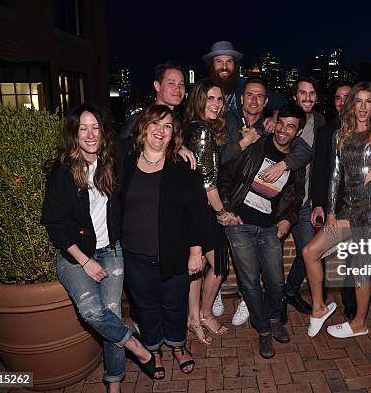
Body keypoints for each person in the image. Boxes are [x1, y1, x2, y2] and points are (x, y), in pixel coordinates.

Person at [41, 104, 157, 391]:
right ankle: (135, 345)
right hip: (76, 254)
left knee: (112, 314)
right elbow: (54, 223)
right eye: (83, 128)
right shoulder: (62, 172)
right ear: (74, 133)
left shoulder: (111, 161)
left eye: (96, 128)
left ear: (104, 133)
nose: (91, 134)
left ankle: (114, 383)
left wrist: (181, 149)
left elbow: (146, 140)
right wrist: (84, 261)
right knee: (93, 312)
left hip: (111, 250)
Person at [302, 82, 371, 338]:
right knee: (310, 251)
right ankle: (319, 307)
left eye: (369, 101)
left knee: (360, 268)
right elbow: (335, 176)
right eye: (359, 101)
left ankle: (359, 323)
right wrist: (332, 213)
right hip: (348, 209)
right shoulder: (340, 135)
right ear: (351, 104)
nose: (363, 107)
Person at [118, 104, 207, 375]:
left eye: (167, 126)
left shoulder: (181, 167)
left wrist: (196, 251)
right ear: (143, 128)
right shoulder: (125, 162)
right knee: (145, 306)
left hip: (174, 252)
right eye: (155, 124)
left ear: (173, 135)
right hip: (134, 254)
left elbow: (197, 212)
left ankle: (178, 346)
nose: (160, 130)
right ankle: (153, 349)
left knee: (175, 303)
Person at [222, 77, 313, 327]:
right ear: (241, 98)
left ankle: (273, 315)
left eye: (260, 96)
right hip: (238, 218)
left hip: (269, 225)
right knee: (247, 275)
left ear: (265, 102)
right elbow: (224, 170)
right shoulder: (229, 122)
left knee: (274, 279)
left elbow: (296, 192)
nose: (254, 100)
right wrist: (226, 209)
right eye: (249, 95)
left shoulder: (275, 133)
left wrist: (287, 219)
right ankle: (257, 318)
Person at [182, 79, 234, 345]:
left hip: (195, 208)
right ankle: (201, 314)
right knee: (218, 264)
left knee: (200, 266)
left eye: (219, 99)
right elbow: (206, 181)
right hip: (203, 210)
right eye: (209, 98)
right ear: (199, 100)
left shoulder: (192, 127)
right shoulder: (201, 131)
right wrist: (222, 213)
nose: (215, 104)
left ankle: (195, 317)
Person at [284, 76, 326, 317]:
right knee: (270, 254)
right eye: (303, 93)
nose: (307, 98)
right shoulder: (283, 120)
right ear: (295, 96)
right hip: (282, 202)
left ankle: (290, 291)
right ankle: (275, 298)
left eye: (312, 93)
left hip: (306, 202)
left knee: (308, 251)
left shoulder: (321, 122)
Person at [310, 82, 352, 318]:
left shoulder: (366, 131)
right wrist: (319, 204)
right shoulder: (326, 132)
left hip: (358, 207)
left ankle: (351, 304)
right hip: (333, 206)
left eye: (347, 97)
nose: (342, 102)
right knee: (321, 253)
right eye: (337, 98)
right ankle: (321, 300)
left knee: (353, 256)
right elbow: (319, 171)